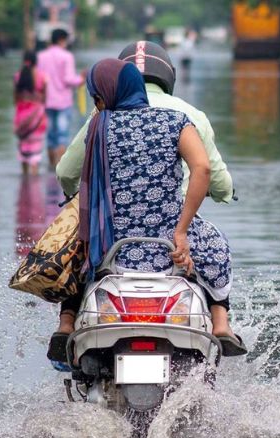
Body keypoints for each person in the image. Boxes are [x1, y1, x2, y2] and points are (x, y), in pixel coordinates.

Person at [47, 59, 246, 361]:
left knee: (77, 248)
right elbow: (203, 169)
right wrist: (181, 231)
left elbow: (69, 172)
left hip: (111, 244)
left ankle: (66, 322)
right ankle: (221, 323)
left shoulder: (99, 126)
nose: (97, 104)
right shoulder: (176, 121)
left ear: (107, 96)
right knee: (216, 244)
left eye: (96, 97)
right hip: (169, 242)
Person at [56, 41, 234, 204]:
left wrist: (76, 196)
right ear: (170, 74)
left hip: (115, 227)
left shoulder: (102, 117)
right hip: (176, 223)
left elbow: (66, 172)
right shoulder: (188, 116)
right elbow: (216, 179)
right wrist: (223, 193)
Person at [37, 29, 85, 169]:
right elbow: (68, 79)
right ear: (61, 39)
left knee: (51, 137)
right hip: (63, 102)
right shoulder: (66, 56)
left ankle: (51, 166)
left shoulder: (41, 56)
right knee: (62, 137)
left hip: (46, 101)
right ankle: (60, 169)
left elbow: (39, 80)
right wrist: (81, 79)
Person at [13, 51, 48, 175]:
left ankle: (25, 180)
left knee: (23, 149)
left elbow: (15, 99)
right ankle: (33, 182)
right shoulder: (43, 77)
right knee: (35, 153)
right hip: (37, 119)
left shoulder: (17, 76)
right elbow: (45, 99)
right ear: (36, 62)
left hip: (21, 117)